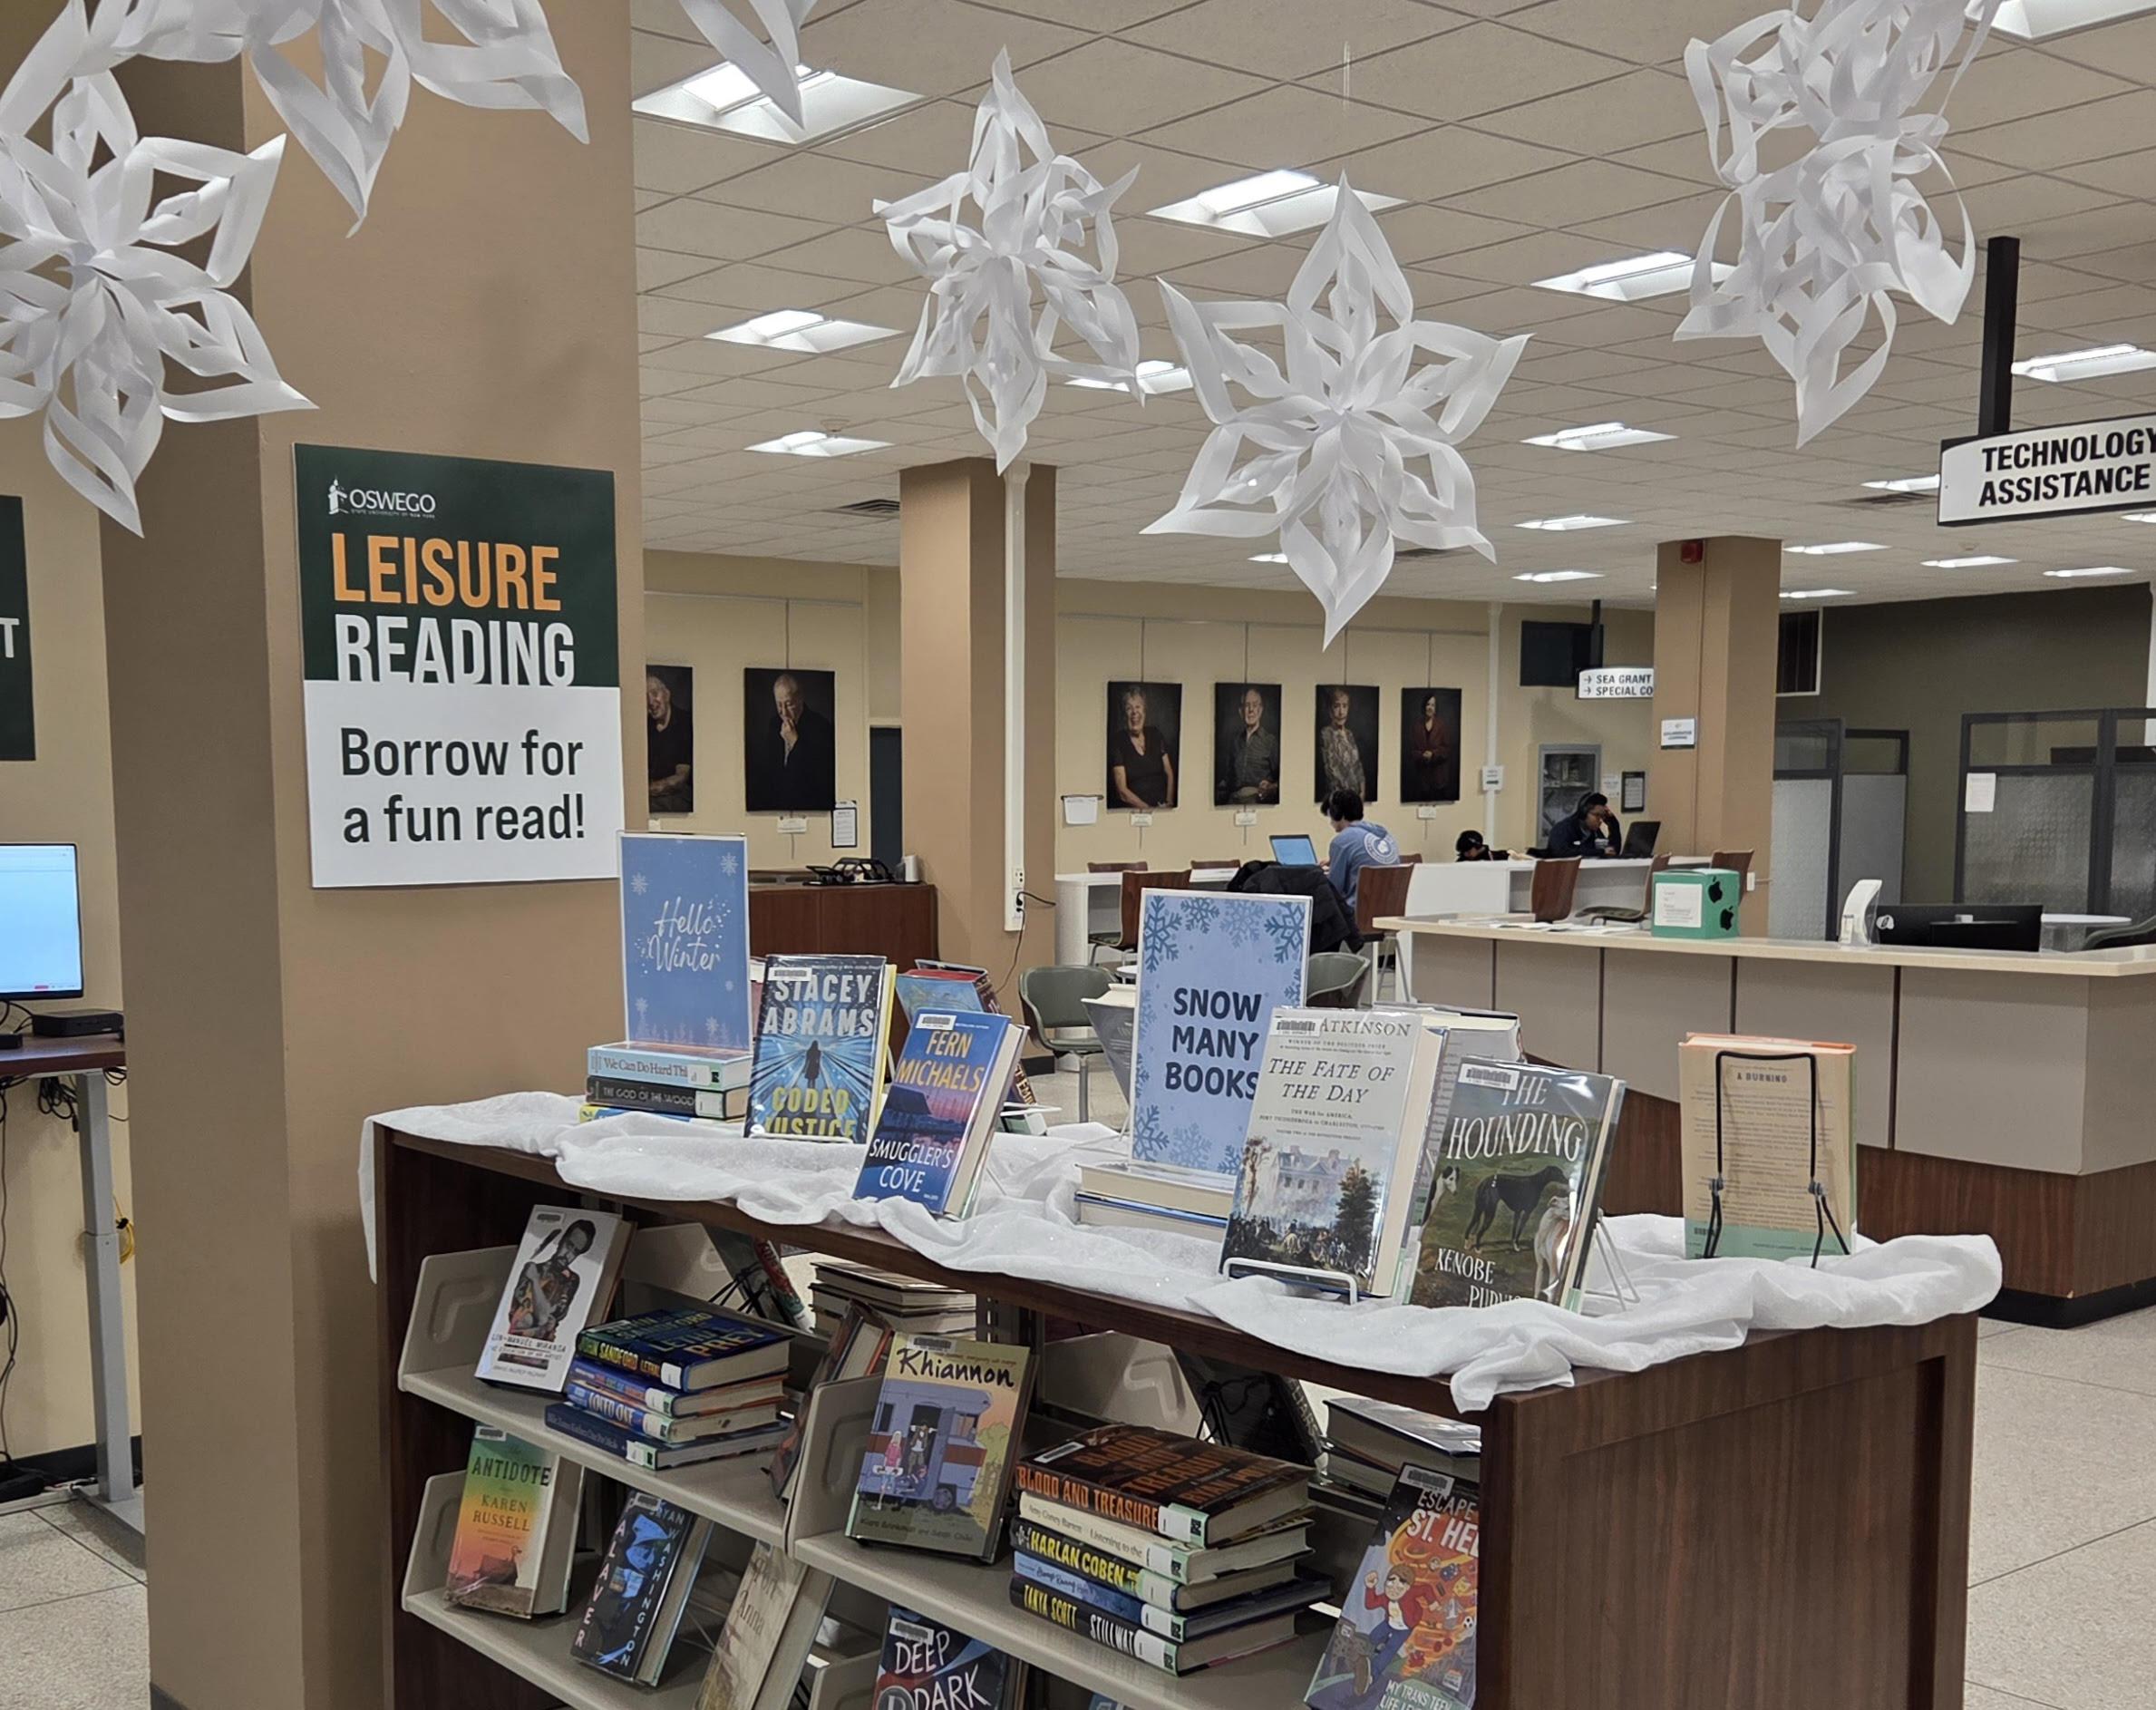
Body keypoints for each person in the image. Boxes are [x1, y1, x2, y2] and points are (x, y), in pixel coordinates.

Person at [747, 671, 836, 811]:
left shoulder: (820, 726)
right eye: (779, 705)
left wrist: (795, 742)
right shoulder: (774, 724)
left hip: (809, 805)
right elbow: (770, 771)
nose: (783, 712)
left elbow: (819, 776)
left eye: (788, 704)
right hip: (779, 805)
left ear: (800, 699)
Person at [1323, 788, 1399, 917]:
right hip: (1389, 915)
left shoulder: (1342, 841)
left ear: (1337, 813)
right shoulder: (1384, 834)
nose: (1330, 822)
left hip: (1357, 916)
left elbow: (1334, 890)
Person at [1109, 685, 1177, 809]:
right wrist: (1150, 810)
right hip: (1135, 811)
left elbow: (1169, 773)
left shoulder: (1155, 734)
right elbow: (1122, 791)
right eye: (1129, 708)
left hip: (1164, 806)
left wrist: (1169, 803)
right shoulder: (1117, 742)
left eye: (1138, 707)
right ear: (1124, 715)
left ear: (1144, 711)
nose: (1134, 712)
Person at [1218, 685, 1279, 804]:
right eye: (1247, 705)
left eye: (1255, 705)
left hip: (1258, 800)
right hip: (1232, 801)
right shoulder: (1234, 741)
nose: (1251, 710)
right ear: (1241, 711)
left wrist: (1271, 787)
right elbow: (1228, 778)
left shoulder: (1270, 742)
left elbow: (1283, 780)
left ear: (1260, 710)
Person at [646, 673, 693, 812]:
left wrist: (643, 790)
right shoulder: (644, 727)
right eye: (645, 697)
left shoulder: (685, 723)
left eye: (655, 693)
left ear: (666, 695)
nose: (651, 702)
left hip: (679, 796)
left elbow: (680, 778)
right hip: (651, 795)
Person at [1406, 693, 1456, 801]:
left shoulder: (1442, 725)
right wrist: (1421, 755)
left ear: (1436, 708)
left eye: (1433, 705)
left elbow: (1447, 749)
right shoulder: (1416, 726)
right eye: (1428, 704)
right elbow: (1411, 751)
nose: (1430, 708)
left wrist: (1433, 754)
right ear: (1424, 706)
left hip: (1439, 778)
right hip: (1422, 779)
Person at [1318, 686, 1367, 798]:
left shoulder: (1349, 735)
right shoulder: (1326, 733)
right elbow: (1332, 770)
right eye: (1336, 706)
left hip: (1355, 799)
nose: (1341, 712)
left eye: (1344, 706)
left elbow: (1358, 767)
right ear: (1330, 709)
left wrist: (1362, 793)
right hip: (1338, 798)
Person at [1545, 792, 1621, 859]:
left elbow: (1611, 852)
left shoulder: (1594, 831)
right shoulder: (1563, 828)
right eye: (1597, 815)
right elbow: (1560, 853)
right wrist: (1600, 852)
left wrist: (1613, 824)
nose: (1600, 820)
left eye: (1602, 816)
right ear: (1583, 813)